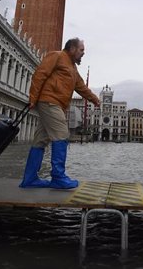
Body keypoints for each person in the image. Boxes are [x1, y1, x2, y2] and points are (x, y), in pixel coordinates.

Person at [19, 38, 100, 189]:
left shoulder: (73, 69)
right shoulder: (56, 56)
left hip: (56, 104)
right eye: (81, 50)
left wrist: (95, 99)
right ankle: (58, 177)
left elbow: (82, 87)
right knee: (62, 135)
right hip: (50, 101)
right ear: (72, 49)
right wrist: (33, 98)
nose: (83, 53)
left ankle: (29, 179)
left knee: (40, 140)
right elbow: (40, 74)